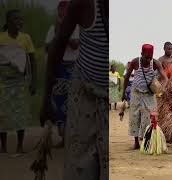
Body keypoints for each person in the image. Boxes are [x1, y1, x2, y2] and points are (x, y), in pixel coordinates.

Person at [40, 0, 108, 179]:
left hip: (108, 96)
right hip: (84, 92)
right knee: (81, 165)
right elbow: (57, 45)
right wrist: (46, 99)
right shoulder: (83, 4)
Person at [0, 9, 36, 154]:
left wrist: (33, 81)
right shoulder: (1, 38)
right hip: (2, 83)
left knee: (20, 114)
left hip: (20, 82)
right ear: (8, 22)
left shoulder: (26, 38)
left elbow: (33, 61)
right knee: (2, 115)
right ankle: (3, 146)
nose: (19, 22)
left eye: (21, 19)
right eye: (16, 19)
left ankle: (20, 145)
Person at [45, 0, 80, 148]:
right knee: (59, 102)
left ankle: (71, 139)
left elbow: (75, 44)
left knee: (73, 103)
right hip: (59, 67)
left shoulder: (78, 27)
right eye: (62, 11)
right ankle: (63, 138)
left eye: (67, 11)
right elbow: (48, 47)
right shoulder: (53, 28)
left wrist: (61, 37)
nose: (64, 14)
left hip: (74, 68)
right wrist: (60, 33)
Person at [122, 44, 168, 149]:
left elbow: (165, 78)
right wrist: (123, 92)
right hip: (136, 92)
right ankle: (136, 142)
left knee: (149, 117)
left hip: (149, 94)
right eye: (146, 57)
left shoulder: (156, 63)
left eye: (150, 57)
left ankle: (146, 141)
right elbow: (126, 77)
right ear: (141, 54)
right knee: (135, 116)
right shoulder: (135, 62)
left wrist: (162, 88)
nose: (148, 59)